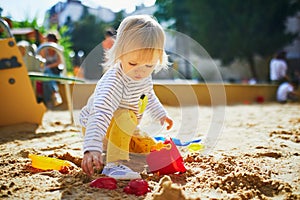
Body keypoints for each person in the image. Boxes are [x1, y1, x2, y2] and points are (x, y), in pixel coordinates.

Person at [79, 15, 173, 179]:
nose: (140, 71)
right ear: (120, 54)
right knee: (125, 114)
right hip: (97, 129)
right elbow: (100, 113)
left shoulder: (144, 77)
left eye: (149, 65)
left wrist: (161, 114)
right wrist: (92, 147)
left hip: (124, 128)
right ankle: (114, 165)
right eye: (133, 64)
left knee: (146, 146)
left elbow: (147, 96)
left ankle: (122, 150)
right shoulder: (114, 82)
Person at [40, 33, 63, 108]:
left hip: (56, 73)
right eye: (48, 40)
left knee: (46, 77)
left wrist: (48, 66)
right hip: (47, 73)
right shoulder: (44, 49)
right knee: (46, 78)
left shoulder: (58, 49)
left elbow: (59, 62)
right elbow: (41, 61)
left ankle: (48, 101)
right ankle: (55, 94)